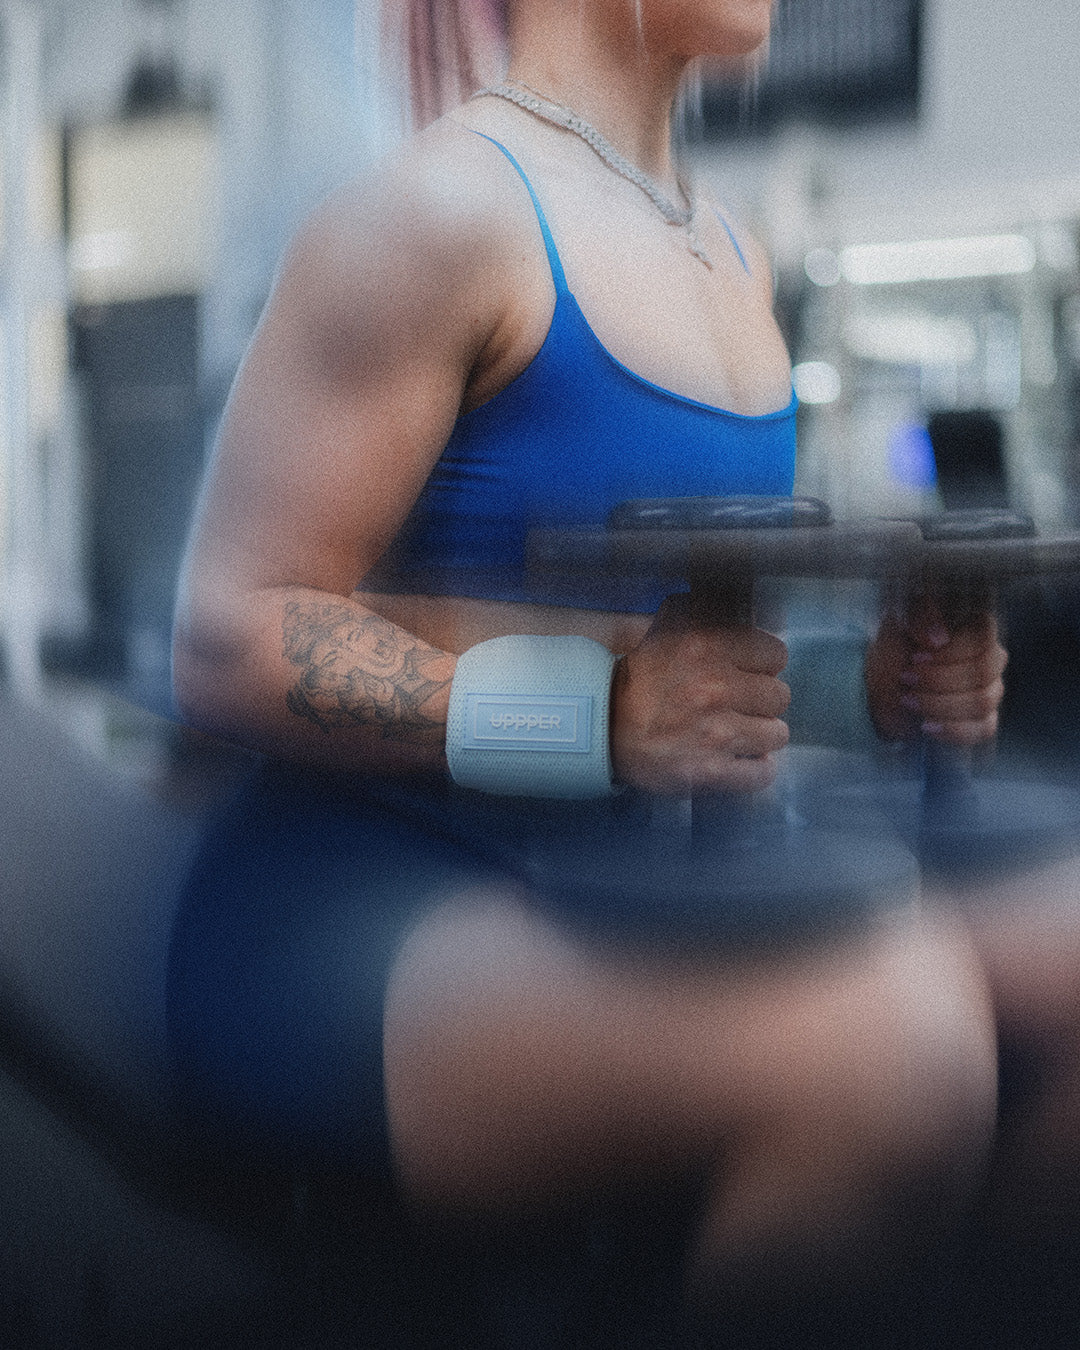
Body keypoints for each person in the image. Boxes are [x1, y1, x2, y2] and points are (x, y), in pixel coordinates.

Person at [169, 0, 1008, 1323]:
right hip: (349, 909)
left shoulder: (731, 250)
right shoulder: (437, 217)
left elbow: (679, 658)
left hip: (609, 871)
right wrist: (595, 715)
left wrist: (872, 685)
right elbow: (224, 634)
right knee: (901, 1049)